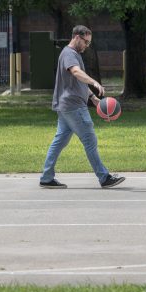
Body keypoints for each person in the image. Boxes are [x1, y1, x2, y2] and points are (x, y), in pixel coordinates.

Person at [38, 25, 125, 189]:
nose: (87, 45)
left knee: (59, 142)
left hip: (66, 106)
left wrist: (92, 97)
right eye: (86, 42)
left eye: (89, 43)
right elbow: (77, 73)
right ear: (77, 37)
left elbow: (75, 82)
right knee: (90, 140)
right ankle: (104, 177)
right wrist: (93, 82)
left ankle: (46, 177)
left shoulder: (72, 54)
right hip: (73, 107)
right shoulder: (70, 54)